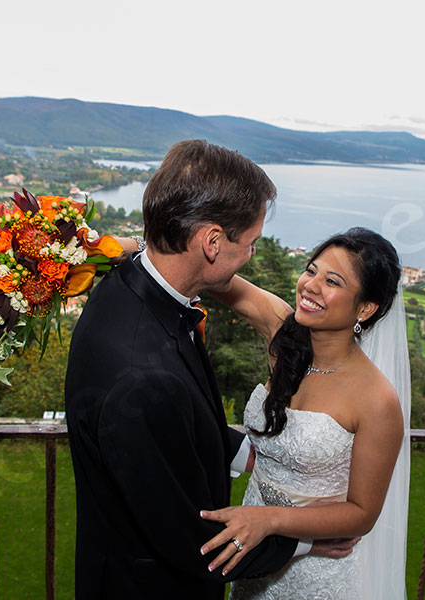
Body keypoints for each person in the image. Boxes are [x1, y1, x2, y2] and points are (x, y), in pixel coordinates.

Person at [64, 140, 354, 599]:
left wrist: (243, 452)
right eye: (252, 243)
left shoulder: (128, 286)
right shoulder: (142, 378)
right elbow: (197, 545)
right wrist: (306, 539)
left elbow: (172, 427)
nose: (253, 255)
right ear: (212, 242)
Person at [199, 227, 411, 600]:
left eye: (331, 281)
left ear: (365, 308)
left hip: (316, 573)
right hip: (252, 556)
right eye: (311, 270)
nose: (310, 285)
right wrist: (133, 248)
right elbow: (208, 273)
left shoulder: (377, 400)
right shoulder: (285, 339)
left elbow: (363, 512)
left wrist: (270, 520)